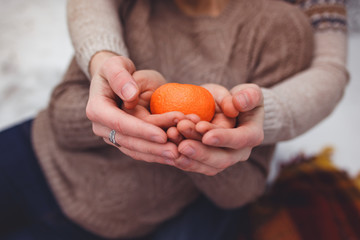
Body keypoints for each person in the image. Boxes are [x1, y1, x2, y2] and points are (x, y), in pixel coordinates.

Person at [0, 0, 348, 239]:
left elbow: (241, 189)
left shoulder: (277, 32)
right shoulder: (132, 7)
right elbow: (62, 118)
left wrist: (194, 148)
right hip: (36, 158)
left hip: (120, 224)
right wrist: (121, 108)